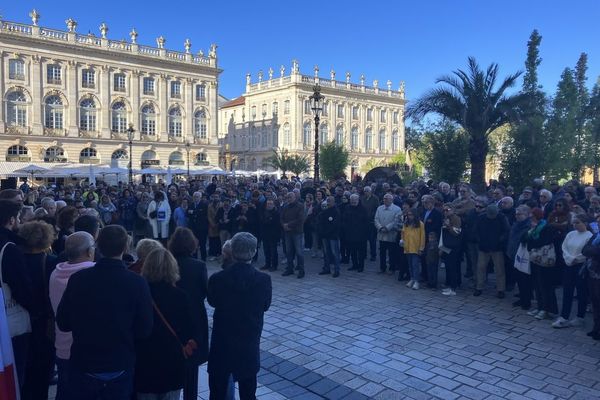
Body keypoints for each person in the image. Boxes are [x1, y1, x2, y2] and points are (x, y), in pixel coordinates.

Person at [56, 225, 153, 400]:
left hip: (84, 362)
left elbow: (63, 322)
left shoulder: (78, 279)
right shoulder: (137, 282)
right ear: (125, 248)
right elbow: (144, 329)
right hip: (119, 362)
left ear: (98, 247)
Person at [207, 232, 272, 400]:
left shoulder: (218, 278)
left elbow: (212, 301)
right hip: (248, 340)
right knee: (248, 389)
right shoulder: (263, 280)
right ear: (254, 252)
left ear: (232, 251)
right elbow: (265, 305)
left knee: (218, 390)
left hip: (223, 341)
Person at [135, 247, 194, 400]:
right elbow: (188, 330)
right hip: (172, 361)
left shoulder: (139, 293)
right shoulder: (180, 296)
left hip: (144, 361)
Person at [49, 231, 96, 400]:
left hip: (62, 346)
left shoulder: (56, 273)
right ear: (90, 252)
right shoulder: (90, 276)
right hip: (86, 350)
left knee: (64, 391)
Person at [18, 220, 58, 400]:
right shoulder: (51, 262)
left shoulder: (15, 260)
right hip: (44, 323)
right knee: (42, 371)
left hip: (20, 320)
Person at [168, 227, 209, 400]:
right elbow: (205, 292)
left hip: (171, 316)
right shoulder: (198, 266)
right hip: (194, 317)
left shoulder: (168, 263)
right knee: (191, 363)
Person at [0, 199, 32, 389]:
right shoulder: (10, 248)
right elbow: (22, 289)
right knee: (14, 374)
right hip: (9, 320)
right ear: (11, 220)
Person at [552, 214, 593, 328]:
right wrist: (569, 258)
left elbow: (586, 252)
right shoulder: (571, 234)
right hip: (569, 265)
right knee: (567, 291)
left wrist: (576, 259)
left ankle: (580, 317)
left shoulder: (589, 236)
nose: (575, 225)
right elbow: (564, 247)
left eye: (578, 222)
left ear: (585, 223)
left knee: (581, 292)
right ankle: (564, 316)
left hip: (581, 267)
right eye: (574, 223)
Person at [522, 208, 558, 320]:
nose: (531, 218)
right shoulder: (533, 227)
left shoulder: (546, 227)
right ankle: (540, 306)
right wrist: (531, 231)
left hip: (544, 260)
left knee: (545, 285)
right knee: (537, 284)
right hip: (535, 259)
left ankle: (547, 309)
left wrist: (532, 236)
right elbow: (523, 239)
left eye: (533, 216)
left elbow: (542, 242)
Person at [473, 204, 510, 298]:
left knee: (499, 269)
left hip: (497, 248)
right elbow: (475, 230)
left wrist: (499, 241)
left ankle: (501, 289)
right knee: (480, 268)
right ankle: (479, 287)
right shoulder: (481, 218)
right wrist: (480, 240)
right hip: (483, 247)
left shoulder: (502, 218)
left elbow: (506, 231)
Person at [508, 205, 533, 309]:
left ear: (527, 215)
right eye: (516, 214)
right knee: (519, 279)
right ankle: (522, 298)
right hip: (514, 255)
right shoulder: (516, 224)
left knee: (525, 280)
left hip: (524, 256)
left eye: (519, 214)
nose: (517, 216)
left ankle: (526, 301)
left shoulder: (529, 226)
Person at [582, 214, 600, 341]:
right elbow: (585, 250)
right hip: (592, 273)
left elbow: (594, 251)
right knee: (594, 301)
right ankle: (596, 327)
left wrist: (593, 251)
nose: (598, 224)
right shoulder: (596, 236)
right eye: (598, 222)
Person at [374, 194, 402, 274]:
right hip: (381, 234)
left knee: (391, 252)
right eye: (384, 198)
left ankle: (391, 268)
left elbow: (396, 221)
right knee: (382, 252)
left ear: (391, 200)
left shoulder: (397, 209)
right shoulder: (379, 208)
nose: (385, 200)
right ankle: (382, 268)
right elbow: (376, 219)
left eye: (387, 199)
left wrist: (387, 228)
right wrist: (380, 227)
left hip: (391, 233)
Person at [280, 192, 305, 278]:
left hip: (297, 232)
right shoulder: (285, 207)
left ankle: (301, 270)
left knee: (299, 252)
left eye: (290, 197)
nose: (289, 199)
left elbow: (300, 219)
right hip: (287, 232)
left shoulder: (300, 206)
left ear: (295, 197)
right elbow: (281, 217)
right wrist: (284, 225)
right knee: (289, 251)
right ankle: (290, 268)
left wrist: (288, 225)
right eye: (287, 197)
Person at [440, 204, 462, 296]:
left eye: (447, 210)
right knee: (448, 266)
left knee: (453, 267)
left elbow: (456, 232)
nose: (445, 212)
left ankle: (453, 288)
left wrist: (448, 226)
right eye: (444, 210)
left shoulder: (456, 218)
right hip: (446, 245)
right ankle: (449, 285)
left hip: (454, 246)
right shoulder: (446, 218)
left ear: (452, 209)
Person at [318, 196, 342, 277]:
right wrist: (323, 232)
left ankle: (337, 270)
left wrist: (327, 232)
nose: (328, 203)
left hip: (333, 236)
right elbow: (321, 222)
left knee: (335, 253)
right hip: (325, 236)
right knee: (326, 253)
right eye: (327, 201)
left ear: (333, 202)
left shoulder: (336, 211)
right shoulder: (325, 212)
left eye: (329, 201)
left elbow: (335, 224)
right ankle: (326, 268)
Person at [402, 208, 425, 290]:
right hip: (407, 247)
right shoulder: (406, 223)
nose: (409, 216)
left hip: (416, 247)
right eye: (408, 215)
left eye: (411, 215)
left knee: (415, 265)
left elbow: (422, 237)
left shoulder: (420, 224)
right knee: (410, 265)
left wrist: (421, 248)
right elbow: (403, 233)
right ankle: (412, 278)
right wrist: (402, 241)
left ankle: (416, 281)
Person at [344, 194, 368, 272]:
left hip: (360, 235)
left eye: (355, 200)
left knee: (360, 252)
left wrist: (364, 233)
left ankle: (361, 266)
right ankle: (354, 265)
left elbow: (365, 222)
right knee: (352, 251)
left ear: (358, 200)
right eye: (352, 200)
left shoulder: (363, 209)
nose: (353, 201)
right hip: (350, 234)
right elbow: (344, 219)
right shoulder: (347, 208)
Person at [259, 199, 280, 272]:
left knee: (273, 251)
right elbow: (262, 221)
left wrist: (268, 221)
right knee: (266, 250)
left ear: (274, 204)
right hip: (265, 234)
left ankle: (274, 265)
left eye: (270, 204)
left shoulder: (276, 213)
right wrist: (268, 220)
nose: (269, 205)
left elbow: (275, 224)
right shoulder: (264, 212)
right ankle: (267, 264)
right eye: (268, 204)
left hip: (273, 235)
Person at [361, 186, 380, 261]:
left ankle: (373, 255)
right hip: (363, 221)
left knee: (372, 240)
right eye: (365, 191)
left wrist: (371, 215)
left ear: (370, 192)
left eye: (367, 191)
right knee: (363, 239)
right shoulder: (362, 198)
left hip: (371, 222)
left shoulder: (375, 198)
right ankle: (364, 254)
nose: (366, 192)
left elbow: (377, 208)